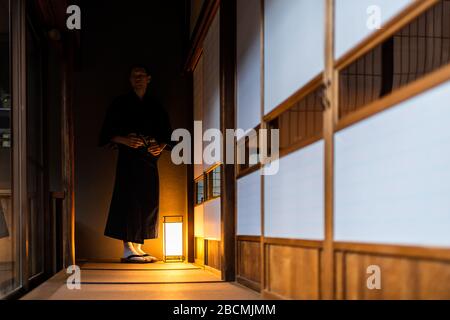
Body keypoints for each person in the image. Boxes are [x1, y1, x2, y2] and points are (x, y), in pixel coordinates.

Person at [98, 65, 173, 263]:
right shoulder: (120, 103)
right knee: (128, 199)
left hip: (149, 159)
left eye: (141, 75)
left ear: (149, 78)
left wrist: (161, 145)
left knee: (148, 200)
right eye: (134, 76)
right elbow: (107, 133)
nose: (138, 78)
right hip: (129, 159)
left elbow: (167, 134)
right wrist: (126, 140)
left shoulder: (156, 105)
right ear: (130, 80)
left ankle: (138, 247)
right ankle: (126, 248)